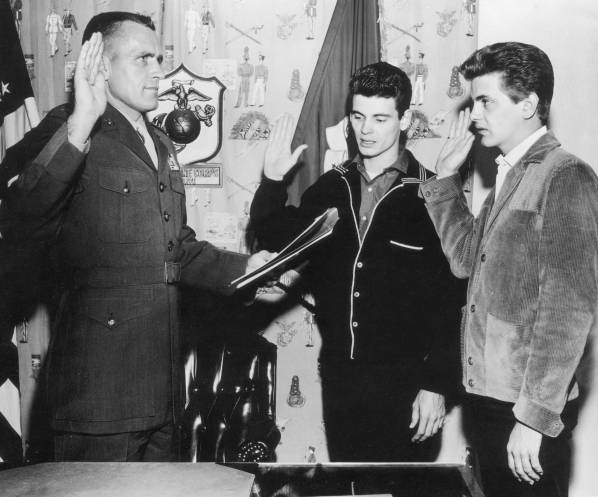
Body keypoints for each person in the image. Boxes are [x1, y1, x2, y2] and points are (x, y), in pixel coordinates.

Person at [3, 11, 273, 462]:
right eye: (142, 59)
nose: (157, 71)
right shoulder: (69, 127)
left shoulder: (161, 142)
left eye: (159, 58)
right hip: (98, 395)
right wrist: (82, 122)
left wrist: (247, 267)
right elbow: (23, 213)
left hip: (161, 391)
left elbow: (177, 248)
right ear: (101, 65)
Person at [250, 62, 465, 462]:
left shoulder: (432, 194)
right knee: (350, 486)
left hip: (408, 385)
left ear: (404, 121)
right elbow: (277, 239)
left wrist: (436, 384)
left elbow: (455, 298)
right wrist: (273, 181)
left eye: (380, 118)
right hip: (341, 379)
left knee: (403, 489)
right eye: (358, 116)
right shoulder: (332, 186)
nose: (366, 130)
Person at [420, 42, 598, 497]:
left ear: (528, 104)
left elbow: (568, 313)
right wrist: (444, 182)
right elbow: (465, 260)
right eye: (474, 101)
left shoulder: (565, 175)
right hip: (489, 399)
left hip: (525, 408)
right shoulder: (511, 173)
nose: (475, 115)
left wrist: (534, 419)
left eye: (486, 101)